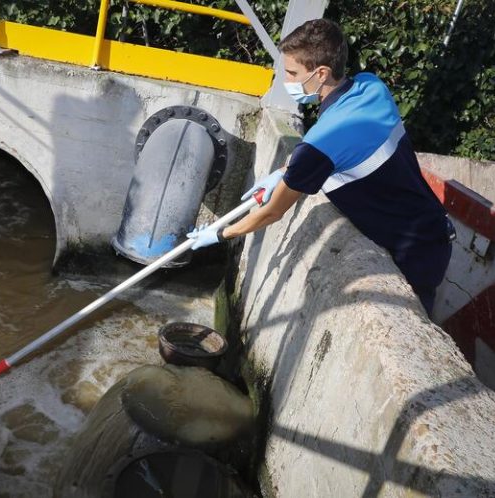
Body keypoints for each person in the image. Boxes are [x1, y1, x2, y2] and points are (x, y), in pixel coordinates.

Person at [188, 18, 454, 317]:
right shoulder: (371, 86)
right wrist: (285, 173)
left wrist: (221, 233)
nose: (286, 81)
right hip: (433, 229)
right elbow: (342, 147)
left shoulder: (319, 145)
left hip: (413, 253)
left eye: (292, 73)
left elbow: (273, 212)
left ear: (321, 73)